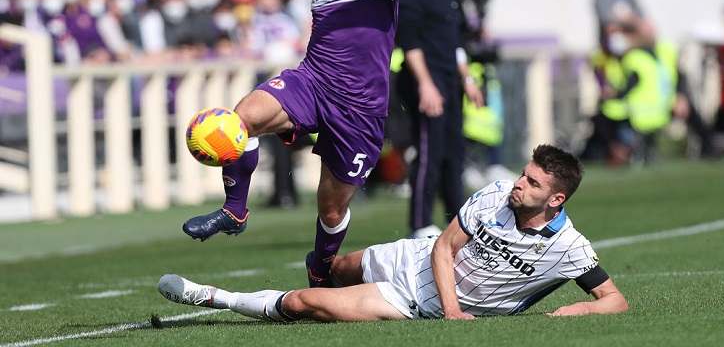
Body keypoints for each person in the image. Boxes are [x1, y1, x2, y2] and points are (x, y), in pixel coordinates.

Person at [181, 0, 424, 288]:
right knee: (243, 117)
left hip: (359, 106)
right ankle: (235, 210)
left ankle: (321, 267)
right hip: (312, 79)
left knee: (330, 209)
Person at [160, 144, 628, 321]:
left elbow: (615, 299)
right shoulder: (497, 193)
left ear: (556, 200)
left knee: (306, 303)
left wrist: (572, 312)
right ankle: (324, 273)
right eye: (524, 174)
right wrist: (454, 312)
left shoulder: (569, 248)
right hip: (418, 259)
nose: (519, 185)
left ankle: (213, 297)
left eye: (532, 183)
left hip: (410, 302)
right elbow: (445, 249)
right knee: (337, 267)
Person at [396, 0, 484, 239]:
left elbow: (458, 42)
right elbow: (410, 42)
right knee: (429, 152)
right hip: (427, 80)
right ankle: (419, 223)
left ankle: (455, 222)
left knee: (453, 153)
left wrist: (468, 80)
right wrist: (425, 84)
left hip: (451, 82)